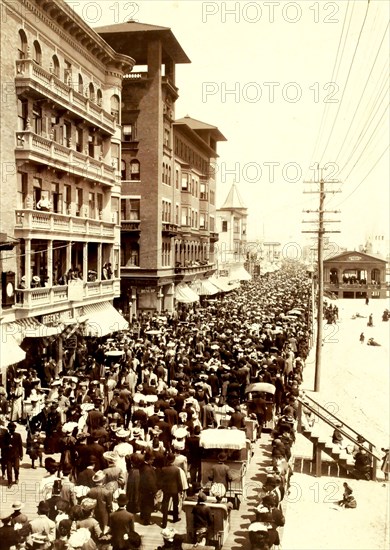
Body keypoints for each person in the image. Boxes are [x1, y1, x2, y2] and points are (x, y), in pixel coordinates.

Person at [159, 453, 183, 529]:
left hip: (166, 489)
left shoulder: (163, 469)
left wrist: (162, 488)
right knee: (175, 504)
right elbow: (179, 481)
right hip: (175, 489)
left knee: (165, 505)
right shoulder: (176, 470)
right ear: (173, 460)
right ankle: (175, 518)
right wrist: (180, 489)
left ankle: (164, 522)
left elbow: (161, 480)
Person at [3, 421, 23, 488]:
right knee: (9, 470)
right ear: (8, 428)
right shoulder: (5, 436)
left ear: (15, 428)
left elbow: (20, 446)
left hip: (16, 455)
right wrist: (7, 446)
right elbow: (2, 445)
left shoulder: (18, 435)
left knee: (16, 468)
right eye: (10, 428)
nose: (11, 429)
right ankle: (10, 482)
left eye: (13, 428)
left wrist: (21, 455)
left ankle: (16, 478)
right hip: (8, 456)